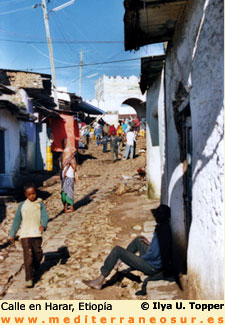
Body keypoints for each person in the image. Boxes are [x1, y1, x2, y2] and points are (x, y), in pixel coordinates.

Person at [82, 205, 172, 290]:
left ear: (161, 217)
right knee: (139, 240)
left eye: (158, 216)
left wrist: (138, 259)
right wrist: (150, 244)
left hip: (152, 267)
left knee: (117, 250)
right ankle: (120, 260)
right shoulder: (164, 227)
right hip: (155, 262)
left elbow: (153, 255)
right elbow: (158, 248)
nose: (156, 217)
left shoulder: (162, 232)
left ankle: (100, 280)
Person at [9, 183, 48, 288]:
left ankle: (35, 267)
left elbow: (45, 216)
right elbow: (17, 220)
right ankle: (29, 278)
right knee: (28, 257)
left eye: (34, 194)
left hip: (36, 233)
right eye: (29, 194)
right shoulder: (22, 206)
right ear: (26, 195)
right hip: (25, 234)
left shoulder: (39, 203)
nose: (32, 196)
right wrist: (12, 234)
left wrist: (43, 225)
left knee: (38, 253)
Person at [60, 144, 78, 213]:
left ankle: (70, 207)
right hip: (66, 176)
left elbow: (72, 167)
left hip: (68, 176)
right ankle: (67, 208)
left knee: (68, 192)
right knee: (65, 192)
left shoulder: (71, 159)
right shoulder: (65, 157)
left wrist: (65, 172)